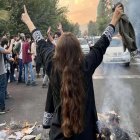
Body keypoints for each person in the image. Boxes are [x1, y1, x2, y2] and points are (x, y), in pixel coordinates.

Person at [21, 4, 123, 140]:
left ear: (57, 51)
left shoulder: (52, 64)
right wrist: (114, 18)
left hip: (58, 134)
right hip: (85, 134)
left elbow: (40, 42)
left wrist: (28, 21)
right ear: (78, 49)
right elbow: (102, 43)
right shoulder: (86, 65)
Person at [0, 39, 15, 114]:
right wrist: (11, 43)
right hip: (1, 73)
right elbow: (8, 51)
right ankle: (1, 109)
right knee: (2, 90)